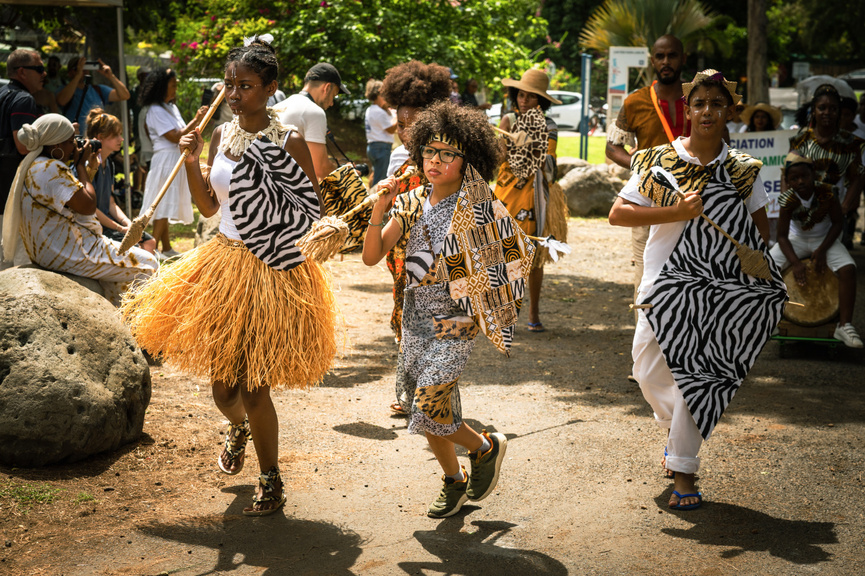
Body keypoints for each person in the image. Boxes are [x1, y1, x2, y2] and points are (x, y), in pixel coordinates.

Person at [121, 36, 338, 516]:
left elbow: (310, 210)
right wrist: (192, 159)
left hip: (270, 271)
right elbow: (207, 207)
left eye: (246, 86)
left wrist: (303, 239)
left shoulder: (289, 141)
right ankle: (238, 427)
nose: (235, 95)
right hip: (224, 266)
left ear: (271, 88)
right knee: (224, 390)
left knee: (255, 385)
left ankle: (270, 477)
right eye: (230, 85)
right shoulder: (220, 135)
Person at [608, 70, 787, 510]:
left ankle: (684, 472)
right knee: (646, 369)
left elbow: (759, 233)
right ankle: (678, 436)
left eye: (717, 103)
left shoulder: (743, 170)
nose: (708, 111)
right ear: (688, 110)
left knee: (698, 373)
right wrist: (675, 211)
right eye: (700, 103)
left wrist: (748, 279)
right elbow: (618, 214)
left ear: (730, 111)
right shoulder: (658, 160)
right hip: (662, 282)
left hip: (718, 288)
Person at [362, 100, 519, 519]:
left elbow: (502, 269)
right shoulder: (411, 202)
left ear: (468, 162)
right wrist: (379, 209)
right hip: (415, 317)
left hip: (456, 319)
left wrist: (471, 302)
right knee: (429, 409)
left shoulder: (479, 209)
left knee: (428, 405)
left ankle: (484, 447)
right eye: (430, 151)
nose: (435, 160)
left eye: (448, 154)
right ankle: (454, 480)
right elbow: (371, 256)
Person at [2, 113, 157, 304]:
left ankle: (117, 310)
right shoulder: (51, 169)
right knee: (149, 263)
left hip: (51, 249)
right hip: (67, 251)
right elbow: (88, 206)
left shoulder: (36, 164)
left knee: (132, 264)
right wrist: (81, 166)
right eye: (70, 142)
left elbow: (76, 200)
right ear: (56, 146)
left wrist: (87, 166)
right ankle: (135, 317)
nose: (74, 147)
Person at [378, 61, 455, 416]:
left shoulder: (444, 161)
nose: (406, 132)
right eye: (401, 125)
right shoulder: (399, 159)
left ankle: (427, 393)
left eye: (414, 125)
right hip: (400, 255)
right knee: (403, 315)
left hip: (435, 260)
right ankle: (411, 391)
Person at [606, 35, 689, 332]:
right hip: (648, 205)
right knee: (646, 282)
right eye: (660, 56)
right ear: (652, 61)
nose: (666, 62)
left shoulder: (699, 99)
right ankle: (645, 350)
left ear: (683, 59)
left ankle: (682, 347)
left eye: (672, 55)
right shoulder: (635, 101)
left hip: (693, 205)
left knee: (690, 280)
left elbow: (723, 140)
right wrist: (639, 165)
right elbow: (612, 147)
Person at [494, 68, 565, 333]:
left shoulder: (549, 126)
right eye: (521, 95)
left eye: (531, 96)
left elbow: (550, 164)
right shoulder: (508, 120)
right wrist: (509, 146)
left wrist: (533, 147)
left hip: (535, 196)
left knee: (533, 254)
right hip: (506, 192)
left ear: (541, 101)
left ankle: (533, 312)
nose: (524, 100)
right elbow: (498, 157)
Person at [770, 152, 861, 347]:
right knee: (766, 269)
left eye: (805, 176)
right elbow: (782, 237)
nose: (800, 181)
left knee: (848, 269)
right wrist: (795, 263)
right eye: (794, 178)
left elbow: (838, 224)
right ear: (787, 181)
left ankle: (844, 325)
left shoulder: (827, 192)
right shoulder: (787, 199)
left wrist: (821, 250)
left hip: (824, 239)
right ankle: (770, 321)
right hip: (796, 240)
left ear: (814, 175)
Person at [139, 68, 207, 257]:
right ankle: (151, 250)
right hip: (165, 161)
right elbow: (175, 136)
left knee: (166, 203)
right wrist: (196, 119)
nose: (176, 88)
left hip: (173, 159)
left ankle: (166, 247)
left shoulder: (170, 107)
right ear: (162, 87)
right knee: (161, 204)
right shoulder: (155, 110)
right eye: (173, 85)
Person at [788, 84, 864, 250]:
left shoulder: (850, 143)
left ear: (838, 112)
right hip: (802, 213)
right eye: (822, 108)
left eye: (833, 108)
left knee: (831, 260)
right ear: (814, 111)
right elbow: (787, 174)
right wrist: (787, 202)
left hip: (834, 215)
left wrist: (844, 207)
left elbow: (857, 178)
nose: (827, 112)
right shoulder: (800, 139)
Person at [84, 108, 156, 254]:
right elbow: (91, 209)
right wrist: (120, 228)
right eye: (115, 135)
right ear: (100, 137)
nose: (121, 139)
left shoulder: (109, 163)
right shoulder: (89, 165)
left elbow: (111, 203)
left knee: (150, 242)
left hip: (109, 224)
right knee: (137, 249)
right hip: (93, 227)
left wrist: (128, 224)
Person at [1, 49, 45, 268]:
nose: (44, 74)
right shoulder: (24, 99)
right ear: (22, 72)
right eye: (39, 69)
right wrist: (54, 140)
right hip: (10, 188)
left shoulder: (3, 94)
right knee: (15, 259)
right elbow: (22, 145)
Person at [273, 62, 350, 182]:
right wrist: (347, 175)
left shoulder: (279, 106)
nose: (331, 103)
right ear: (327, 88)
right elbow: (320, 168)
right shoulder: (314, 112)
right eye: (334, 96)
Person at [55, 57, 130, 136]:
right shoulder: (63, 89)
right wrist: (78, 75)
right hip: (73, 137)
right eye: (78, 68)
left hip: (95, 138)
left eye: (85, 67)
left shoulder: (98, 89)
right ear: (69, 73)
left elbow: (125, 95)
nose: (83, 71)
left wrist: (110, 76)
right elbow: (62, 101)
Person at [363, 78, 396, 187]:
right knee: (381, 179)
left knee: (375, 173)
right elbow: (391, 129)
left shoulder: (371, 109)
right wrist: (399, 118)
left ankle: (370, 192)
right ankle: (375, 196)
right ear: (378, 94)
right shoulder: (379, 112)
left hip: (373, 147)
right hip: (382, 148)